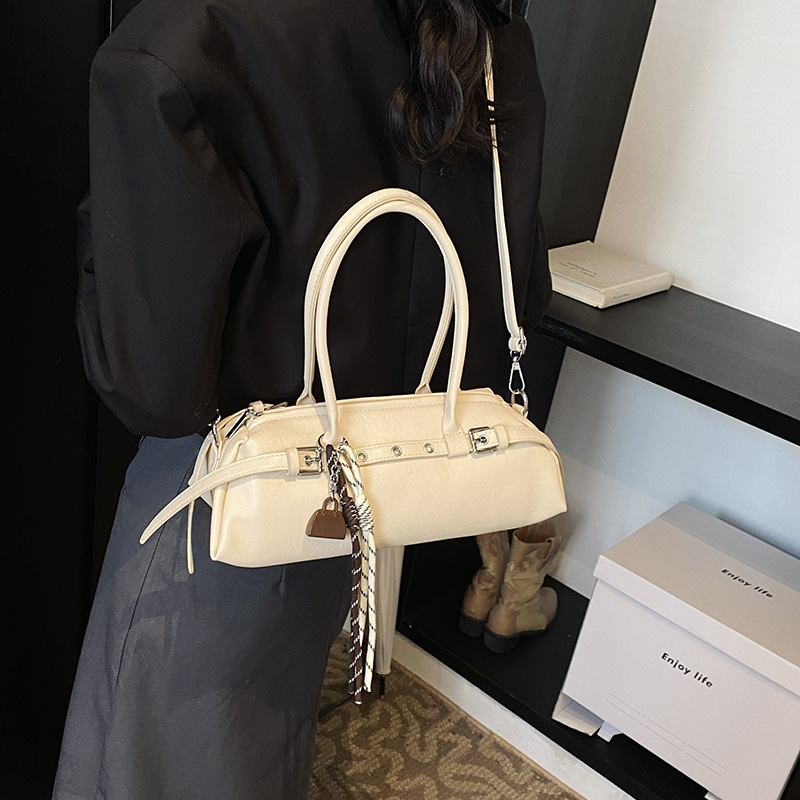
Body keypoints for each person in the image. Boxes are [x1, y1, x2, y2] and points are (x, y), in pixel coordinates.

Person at [53, 0, 550, 797]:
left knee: (161, 756)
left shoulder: (194, 33)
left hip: (219, 497)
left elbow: (153, 386)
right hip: (354, 494)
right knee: (262, 732)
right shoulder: (492, 38)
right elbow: (509, 296)